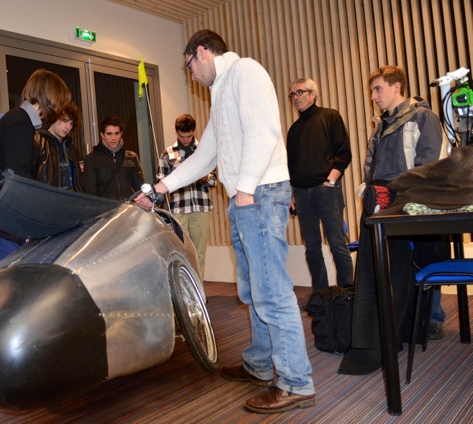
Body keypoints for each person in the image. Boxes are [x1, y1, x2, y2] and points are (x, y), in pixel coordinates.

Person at [136, 29, 315, 414]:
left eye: (189, 66)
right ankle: (261, 363)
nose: (191, 75)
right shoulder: (220, 94)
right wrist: (159, 188)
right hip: (245, 198)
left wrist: (245, 188)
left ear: (201, 52)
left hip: (259, 193)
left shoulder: (245, 71)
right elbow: (205, 157)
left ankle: (296, 382)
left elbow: (264, 132)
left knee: (271, 289)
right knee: (252, 290)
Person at [339, 65, 446, 375]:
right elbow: (370, 168)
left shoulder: (422, 117)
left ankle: (429, 321)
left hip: (411, 202)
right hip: (382, 204)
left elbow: (430, 164)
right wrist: (369, 191)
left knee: (419, 260)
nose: (373, 96)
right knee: (384, 269)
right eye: (372, 90)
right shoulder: (381, 127)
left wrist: (407, 195)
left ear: (397, 87)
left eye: (378, 89)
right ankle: (388, 333)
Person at [0, 68, 71, 264]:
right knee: (15, 272)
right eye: (60, 102)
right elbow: (18, 178)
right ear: (50, 98)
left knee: (17, 272)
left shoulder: (21, 121)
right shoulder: (19, 122)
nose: (58, 110)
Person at [286, 78, 353, 290]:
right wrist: (291, 194)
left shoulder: (330, 116)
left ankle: (347, 293)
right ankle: (320, 295)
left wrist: (330, 180)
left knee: (337, 243)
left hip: (327, 190)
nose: (295, 97)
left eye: (300, 92)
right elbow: (291, 165)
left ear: (313, 94)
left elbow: (344, 153)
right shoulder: (293, 130)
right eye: (292, 94)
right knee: (312, 248)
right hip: (301, 193)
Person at [158, 114, 217, 279]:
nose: (185, 140)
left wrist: (205, 178)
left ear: (194, 131)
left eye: (189, 136)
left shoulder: (204, 151)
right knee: (180, 251)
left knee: (199, 253)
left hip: (201, 207)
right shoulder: (167, 154)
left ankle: (199, 288)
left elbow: (215, 181)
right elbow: (161, 183)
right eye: (182, 136)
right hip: (178, 208)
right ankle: (183, 289)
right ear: (176, 132)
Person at [83, 115, 145, 201]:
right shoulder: (91, 159)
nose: (113, 138)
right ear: (102, 135)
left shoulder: (131, 157)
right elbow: (90, 192)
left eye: (116, 133)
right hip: (106, 207)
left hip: (130, 206)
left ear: (121, 134)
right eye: (109, 134)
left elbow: (139, 186)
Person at [33, 102, 84, 191]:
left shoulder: (70, 147)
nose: (68, 127)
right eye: (65, 121)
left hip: (70, 198)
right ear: (54, 118)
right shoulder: (37, 142)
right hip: (47, 198)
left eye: (71, 123)